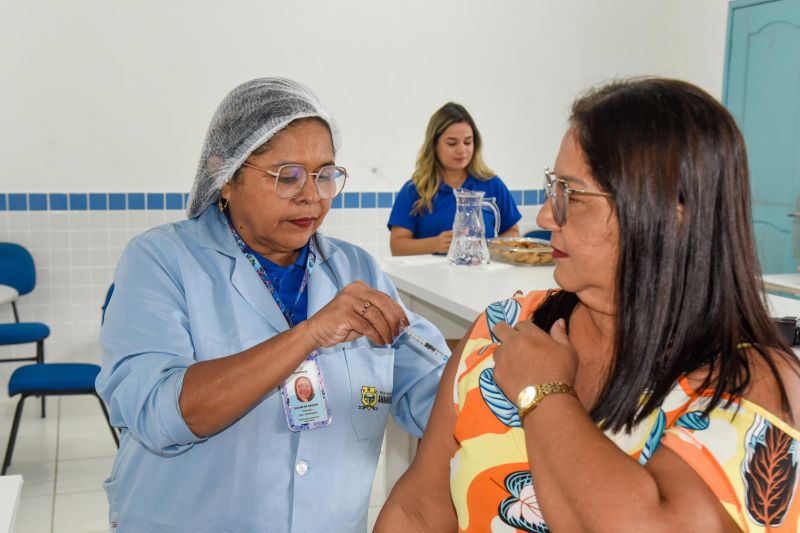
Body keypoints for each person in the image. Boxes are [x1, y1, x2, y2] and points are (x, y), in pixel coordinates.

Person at [376, 78, 800, 532]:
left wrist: (544, 394)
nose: (544, 216)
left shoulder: (754, 385)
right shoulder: (503, 329)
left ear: (669, 215)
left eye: (571, 195)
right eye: (551, 187)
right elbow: (417, 510)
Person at [96, 77, 448, 532]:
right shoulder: (162, 262)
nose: (312, 195)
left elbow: (432, 391)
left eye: (325, 174)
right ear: (225, 178)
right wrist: (308, 335)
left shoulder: (355, 270)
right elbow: (160, 414)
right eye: (288, 176)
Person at [388, 102, 521, 255]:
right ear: (434, 145)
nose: (462, 150)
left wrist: (486, 248)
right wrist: (435, 244)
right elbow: (397, 246)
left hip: (482, 276)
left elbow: (512, 232)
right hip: (428, 278)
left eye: (467, 142)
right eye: (452, 143)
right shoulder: (414, 190)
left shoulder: (492, 184)